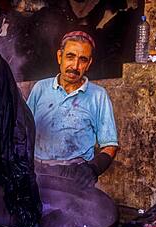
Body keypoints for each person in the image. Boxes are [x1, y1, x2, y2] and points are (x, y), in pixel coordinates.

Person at [26, 31, 118, 189]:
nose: (75, 66)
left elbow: (110, 145)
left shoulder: (98, 96)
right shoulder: (40, 88)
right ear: (59, 57)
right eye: (70, 56)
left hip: (75, 175)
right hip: (37, 172)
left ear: (88, 64)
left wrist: (92, 169)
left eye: (82, 60)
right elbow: (23, 132)